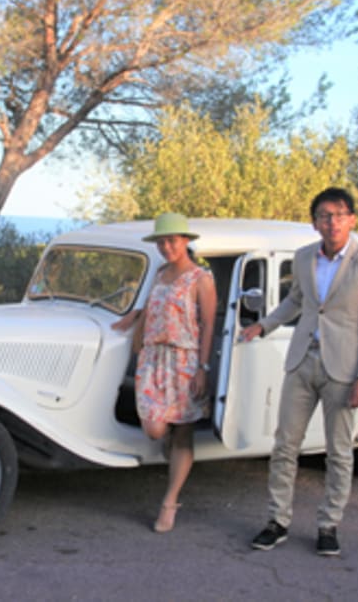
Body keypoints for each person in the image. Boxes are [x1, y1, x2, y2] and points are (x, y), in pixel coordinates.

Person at [240, 188, 358, 556]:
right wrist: (265, 325)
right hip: (301, 361)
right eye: (325, 215)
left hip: (343, 368)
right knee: (284, 444)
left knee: (339, 451)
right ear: (315, 222)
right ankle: (278, 520)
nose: (332, 221)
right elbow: (296, 301)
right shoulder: (305, 257)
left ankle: (329, 524)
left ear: (352, 219)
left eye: (339, 214)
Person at [112, 212, 216, 533]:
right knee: (155, 428)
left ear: (186, 241)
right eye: (162, 241)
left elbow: (208, 323)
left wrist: (202, 367)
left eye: (172, 240)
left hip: (183, 359)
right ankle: (169, 446)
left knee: (182, 431)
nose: (167, 246)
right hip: (154, 358)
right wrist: (134, 319)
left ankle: (170, 502)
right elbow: (152, 305)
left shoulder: (200, 278)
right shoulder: (159, 274)